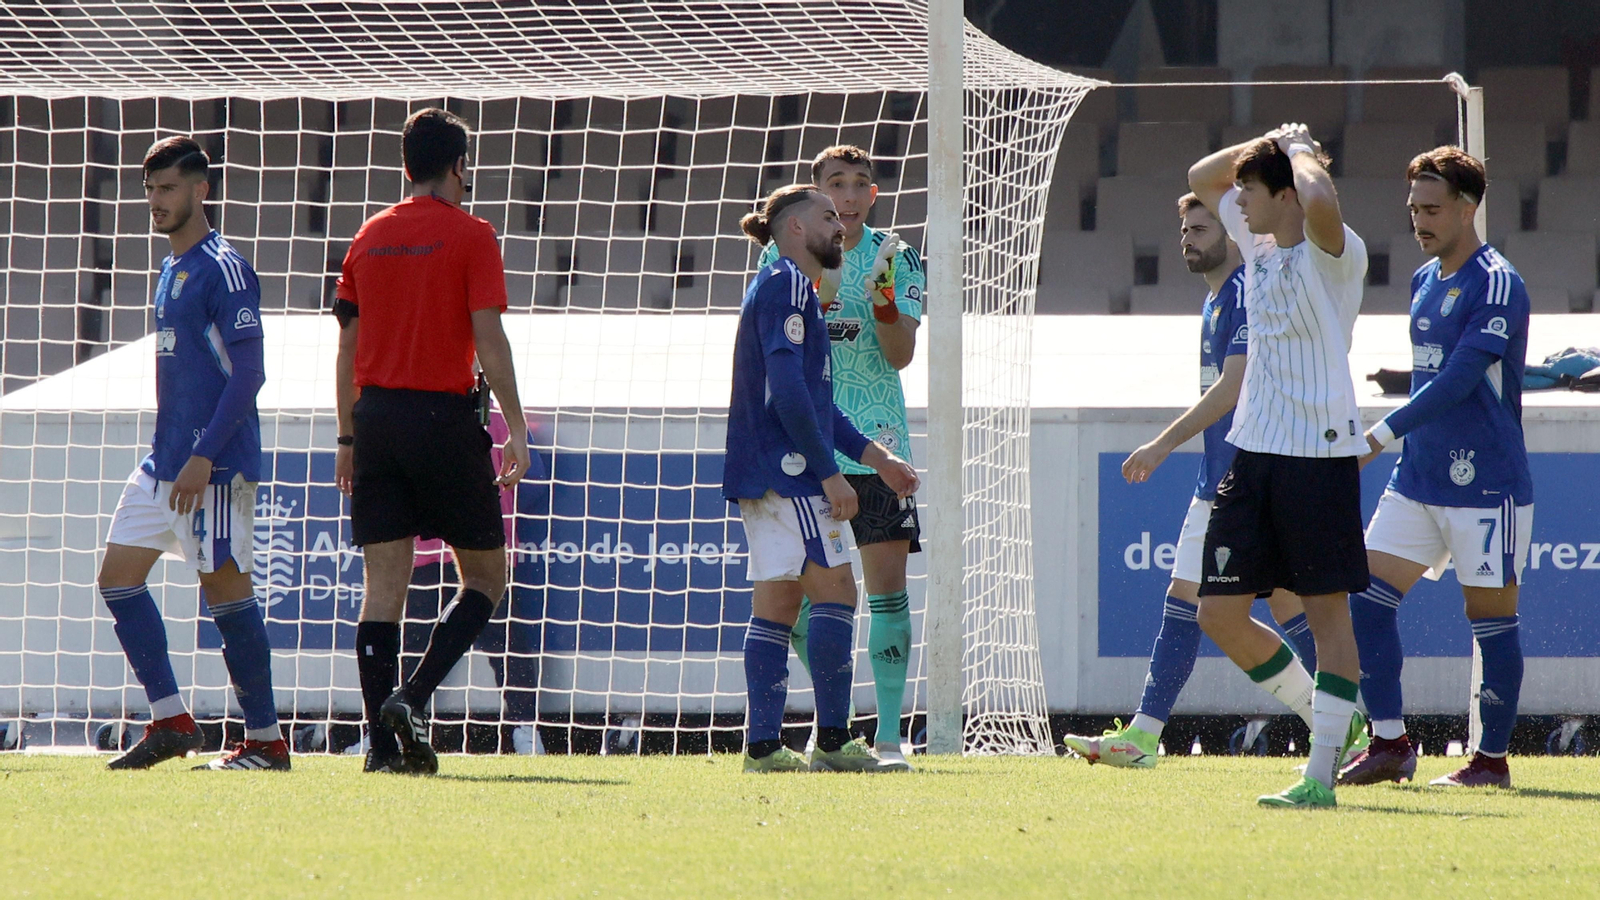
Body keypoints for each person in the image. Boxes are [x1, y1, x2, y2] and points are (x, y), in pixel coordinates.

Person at [1062, 194, 1354, 767]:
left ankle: (1344, 729)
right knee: (1266, 605)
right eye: (1184, 229)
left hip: (1247, 475)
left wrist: (1160, 444)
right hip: (1231, 475)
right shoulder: (1218, 300)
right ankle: (1348, 729)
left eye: (1201, 227)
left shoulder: (1248, 290)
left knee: (1222, 607)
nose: (1188, 237)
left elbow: (1233, 387)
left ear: (1236, 232)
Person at [332, 108, 531, 775]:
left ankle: (381, 753)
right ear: (459, 167)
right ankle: (412, 697)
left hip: (376, 422)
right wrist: (517, 425)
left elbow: (347, 346)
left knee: (381, 587)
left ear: (404, 165)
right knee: (485, 576)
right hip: (443, 421)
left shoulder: (368, 235)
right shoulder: (472, 234)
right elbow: (489, 339)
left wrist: (345, 436)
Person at [1188, 124, 1370, 808]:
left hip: (1319, 456)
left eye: (1250, 191)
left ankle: (1320, 775)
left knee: (1328, 618)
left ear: (1286, 194)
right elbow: (1201, 172)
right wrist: (1272, 136)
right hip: (1254, 453)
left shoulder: (1333, 251)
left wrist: (1299, 154)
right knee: (1219, 614)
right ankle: (1335, 717)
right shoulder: (1257, 243)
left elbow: (1321, 200)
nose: (1234, 201)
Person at [1342, 147, 1532, 789]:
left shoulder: (1498, 280)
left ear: (1467, 207)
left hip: (1486, 484)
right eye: (1413, 209)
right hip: (1419, 478)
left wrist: (1379, 433)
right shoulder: (1425, 281)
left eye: (1431, 208)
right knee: (1364, 600)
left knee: (1490, 622)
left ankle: (1491, 761)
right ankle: (1390, 743)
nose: (1419, 220)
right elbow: (1432, 373)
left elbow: (1458, 379)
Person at [97, 136, 287, 771]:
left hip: (216, 466)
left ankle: (265, 741)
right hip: (164, 462)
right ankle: (171, 718)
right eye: (150, 190)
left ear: (201, 189)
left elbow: (250, 373)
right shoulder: (169, 268)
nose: (156, 201)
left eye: (168, 188)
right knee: (117, 580)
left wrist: (204, 454)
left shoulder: (224, 267)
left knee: (228, 599)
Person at [727, 184, 919, 774]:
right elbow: (788, 395)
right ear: (793, 230)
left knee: (778, 600)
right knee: (836, 590)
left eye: (841, 217)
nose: (840, 226)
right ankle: (834, 741)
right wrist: (833, 475)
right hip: (791, 472)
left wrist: (877, 458)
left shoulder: (794, 290)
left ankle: (762, 747)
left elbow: (817, 401)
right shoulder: (787, 284)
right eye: (827, 216)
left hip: (763, 470)